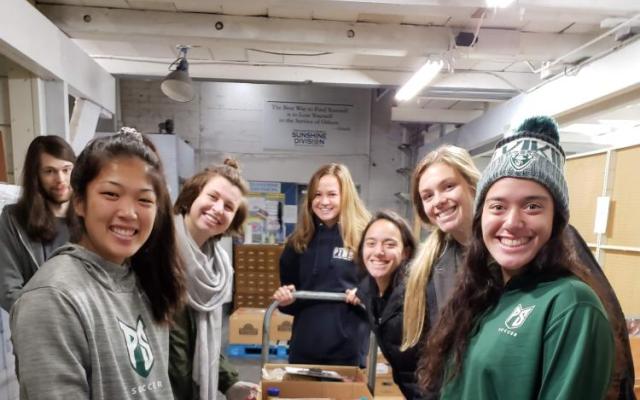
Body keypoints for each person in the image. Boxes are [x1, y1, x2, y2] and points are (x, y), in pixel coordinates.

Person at [403, 142, 635, 399]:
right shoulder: (481, 288)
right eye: (498, 207)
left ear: (556, 220)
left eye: (532, 206)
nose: (512, 222)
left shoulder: (571, 302)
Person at [10, 131, 185, 399]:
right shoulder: (52, 298)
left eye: (144, 200)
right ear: (79, 201)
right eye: (111, 194)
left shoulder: (143, 280)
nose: (128, 212)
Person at [169, 159, 259, 400]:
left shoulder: (217, 266)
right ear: (193, 195)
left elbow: (200, 340)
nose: (219, 209)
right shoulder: (158, 251)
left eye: (229, 207)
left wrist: (230, 383)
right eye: (212, 197)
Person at [273, 163, 371, 366]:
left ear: (346, 197)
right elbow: (292, 298)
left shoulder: (365, 238)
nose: (323, 201)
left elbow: (381, 287)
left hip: (348, 350)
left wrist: (364, 292)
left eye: (332, 194)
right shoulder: (297, 242)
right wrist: (285, 300)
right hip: (304, 348)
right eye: (317, 195)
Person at [345, 210, 425, 399]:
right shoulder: (370, 289)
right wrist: (358, 294)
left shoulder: (417, 292)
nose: (378, 252)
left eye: (389, 244)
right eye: (371, 243)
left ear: (405, 252)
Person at [0, 135, 75, 311]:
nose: (60, 179)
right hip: (39, 328)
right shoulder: (14, 220)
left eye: (66, 169)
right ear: (36, 176)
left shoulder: (92, 216)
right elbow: (8, 290)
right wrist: (47, 319)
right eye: (49, 171)